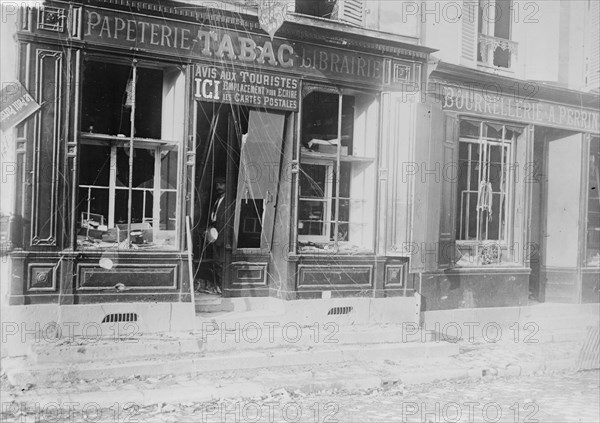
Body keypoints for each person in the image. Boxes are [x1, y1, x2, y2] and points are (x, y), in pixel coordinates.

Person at [207, 175, 226, 295]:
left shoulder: (229, 201)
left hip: (222, 238)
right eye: (217, 185)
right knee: (217, 264)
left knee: (221, 263)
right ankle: (219, 287)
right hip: (215, 236)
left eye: (221, 184)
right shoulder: (217, 200)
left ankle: (222, 288)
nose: (218, 187)